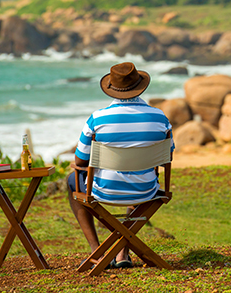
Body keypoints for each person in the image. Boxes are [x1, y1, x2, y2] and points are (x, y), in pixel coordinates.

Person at [67, 62, 173, 268]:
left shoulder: (97, 118)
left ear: (112, 89)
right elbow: (166, 156)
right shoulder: (160, 117)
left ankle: (97, 252)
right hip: (146, 190)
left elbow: (80, 161)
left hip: (103, 191)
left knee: (72, 180)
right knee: (141, 173)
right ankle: (122, 253)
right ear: (140, 86)